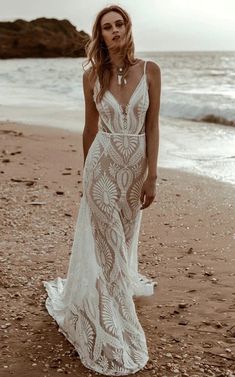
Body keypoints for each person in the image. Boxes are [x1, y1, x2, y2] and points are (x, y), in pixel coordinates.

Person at [43, 4, 161, 376]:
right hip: (102, 167)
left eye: (119, 24)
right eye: (107, 27)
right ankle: (115, 328)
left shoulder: (151, 71)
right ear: (100, 34)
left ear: (127, 28)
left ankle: (109, 301)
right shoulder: (93, 75)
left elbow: (153, 126)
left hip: (134, 169)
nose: (114, 31)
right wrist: (85, 172)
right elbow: (89, 129)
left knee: (122, 244)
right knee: (107, 245)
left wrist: (152, 175)